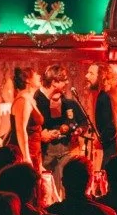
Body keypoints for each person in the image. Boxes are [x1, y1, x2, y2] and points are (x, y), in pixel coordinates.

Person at [34, 64, 88, 195]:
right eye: (64, 79)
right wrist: (41, 134)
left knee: (65, 187)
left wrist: (78, 130)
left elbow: (83, 123)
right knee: (45, 190)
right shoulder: (37, 100)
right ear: (54, 82)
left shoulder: (69, 104)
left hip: (65, 151)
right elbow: (26, 129)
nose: (67, 82)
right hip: (45, 153)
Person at [9, 67, 44, 170]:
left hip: (34, 153)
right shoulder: (23, 100)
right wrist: (26, 157)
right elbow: (20, 129)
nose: (39, 76)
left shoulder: (30, 99)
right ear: (28, 80)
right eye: (36, 74)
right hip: (24, 154)